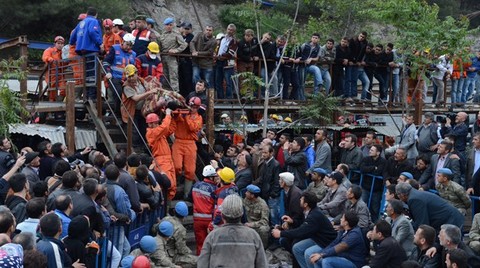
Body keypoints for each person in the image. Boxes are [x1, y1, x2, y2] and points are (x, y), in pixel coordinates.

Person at [198, 194, 268, 267]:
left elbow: (202, 264)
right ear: (242, 214)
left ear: (222, 215)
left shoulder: (213, 236)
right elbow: (262, 264)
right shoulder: (253, 235)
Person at [272, 191, 337, 268]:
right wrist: (292, 221)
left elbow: (300, 232)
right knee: (296, 248)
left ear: (306, 204)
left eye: (301, 200)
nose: (299, 200)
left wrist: (280, 233)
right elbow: (303, 226)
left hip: (325, 242)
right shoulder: (309, 211)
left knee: (308, 253)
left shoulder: (314, 215)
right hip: (316, 237)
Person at [395, 182, 464, 232]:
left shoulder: (414, 199)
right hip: (448, 219)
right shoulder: (414, 194)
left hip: (451, 220)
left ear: (402, 195)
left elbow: (422, 223)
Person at [171, 97, 203, 199]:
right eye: (192, 106)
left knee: (190, 170)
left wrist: (186, 117)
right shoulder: (181, 112)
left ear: (198, 108)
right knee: (176, 166)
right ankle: (173, 188)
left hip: (190, 143)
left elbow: (192, 128)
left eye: (195, 107)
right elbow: (174, 118)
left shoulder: (199, 118)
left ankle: (186, 194)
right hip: (178, 142)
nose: (193, 109)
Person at [69, 7, 103, 100]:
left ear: (87, 14)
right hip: (91, 50)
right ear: (96, 14)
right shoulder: (94, 21)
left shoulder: (81, 23)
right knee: (92, 73)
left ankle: (88, 95)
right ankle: (91, 96)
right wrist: (100, 43)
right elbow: (93, 32)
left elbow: (72, 36)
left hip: (81, 51)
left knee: (87, 74)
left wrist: (72, 42)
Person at [121, 64, 157, 149]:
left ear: (137, 73)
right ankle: (135, 151)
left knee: (144, 130)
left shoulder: (141, 81)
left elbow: (149, 85)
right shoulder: (126, 86)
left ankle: (145, 149)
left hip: (142, 110)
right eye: (129, 76)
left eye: (132, 75)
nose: (130, 78)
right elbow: (136, 98)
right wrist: (149, 92)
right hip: (131, 111)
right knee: (134, 133)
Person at [146, 110, 177, 200]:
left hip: (167, 160)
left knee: (173, 185)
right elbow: (164, 127)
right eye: (155, 123)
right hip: (161, 161)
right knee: (167, 184)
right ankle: (164, 207)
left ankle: (167, 208)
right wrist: (167, 115)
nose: (156, 124)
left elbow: (170, 128)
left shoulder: (158, 132)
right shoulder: (151, 133)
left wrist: (174, 117)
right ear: (151, 124)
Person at [191, 165, 217, 255]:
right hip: (209, 220)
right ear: (211, 177)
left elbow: (191, 198)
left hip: (197, 219)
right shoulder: (214, 189)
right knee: (211, 244)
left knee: (200, 244)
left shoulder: (196, 185)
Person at [161, 201, 197, 267]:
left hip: (160, 251)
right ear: (184, 216)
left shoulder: (165, 219)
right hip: (170, 256)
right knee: (197, 261)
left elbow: (154, 228)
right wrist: (189, 251)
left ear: (174, 211)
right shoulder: (181, 229)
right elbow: (181, 250)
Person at [158, 17, 187, 92]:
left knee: (173, 77)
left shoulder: (176, 34)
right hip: (163, 57)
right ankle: (166, 94)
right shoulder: (162, 35)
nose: (169, 26)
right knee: (165, 77)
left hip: (172, 58)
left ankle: (175, 94)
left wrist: (176, 50)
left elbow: (184, 45)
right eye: (167, 25)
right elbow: (160, 46)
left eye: (170, 25)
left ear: (173, 25)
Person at [255, 144, 281, 225]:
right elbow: (262, 178)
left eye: (265, 153)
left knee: (273, 216)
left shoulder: (276, 164)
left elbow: (277, 182)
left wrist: (273, 194)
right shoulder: (265, 163)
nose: (263, 154)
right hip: (265, 193)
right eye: (263, 152)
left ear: (271, 153)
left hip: (271, 195)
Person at [214, 24, 238, 99]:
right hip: (219, 62)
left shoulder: (234, 41)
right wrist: (217, 54)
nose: (229, 31)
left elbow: (231, 53)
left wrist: (222, 56)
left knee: (228, 83)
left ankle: (229, 99)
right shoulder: (222, 38)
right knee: (218, 81)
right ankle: (220, 98)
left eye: (231, 30)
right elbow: (218, 48)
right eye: (228, 29)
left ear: (234, 31)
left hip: (228, 63)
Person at [42, 36, 66, 101]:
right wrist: (50, 59)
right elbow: (45, 57)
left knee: (64, 89)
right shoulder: (50, 50)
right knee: (52, 89)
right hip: (51, 73)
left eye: (61, 43)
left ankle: (59, 101)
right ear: (55, 43)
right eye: (58, 43)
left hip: (60, 73)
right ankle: (52, 102)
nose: (60, 45)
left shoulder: (64, 52)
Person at [178, 21, 195, 97]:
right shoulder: (180, 36)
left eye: (188, 29)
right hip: (179, 60)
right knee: (180, 78)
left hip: (187, 60)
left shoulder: (191, 36)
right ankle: (182, 95)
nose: (186, 30)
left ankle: (189, 95)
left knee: (187, 79)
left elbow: (185, 45)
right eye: (185, 28)